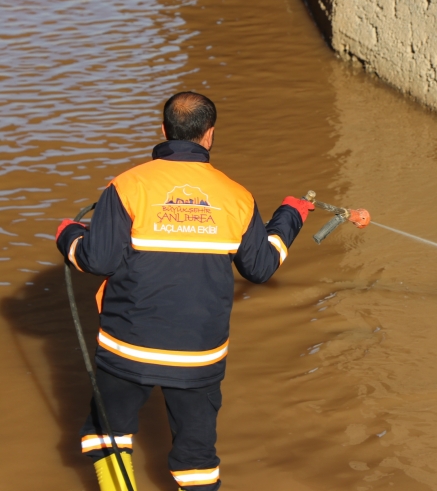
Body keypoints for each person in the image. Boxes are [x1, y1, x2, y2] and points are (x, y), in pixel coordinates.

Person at [56, 91, 314, 491]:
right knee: (196, 457)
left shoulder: (126, 186)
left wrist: (67, 234)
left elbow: (96, 260)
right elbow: (261, 267)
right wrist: (290, 216)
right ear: (209, 136)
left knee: (107, 435)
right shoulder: (236, 196)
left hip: (128, 349)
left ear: (162, 131)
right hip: (200, 354)